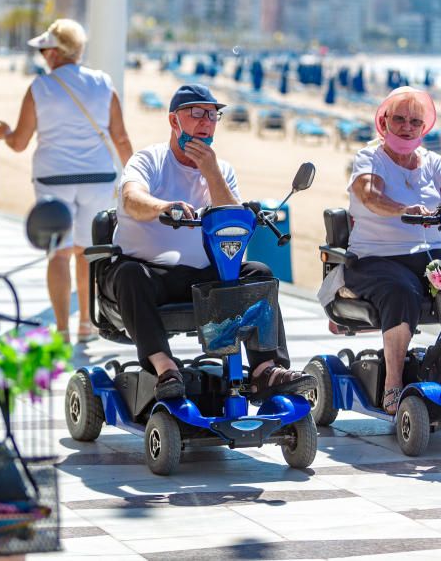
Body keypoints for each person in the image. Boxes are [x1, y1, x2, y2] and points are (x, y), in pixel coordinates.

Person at [103, 83, 315, 401]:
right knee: (128, 273)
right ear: (174, 121)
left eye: (213, 116)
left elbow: (234, 219)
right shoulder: (148, 160)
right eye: (197, 114)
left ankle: (264, 370)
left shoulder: (220, 169)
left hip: (201, 275)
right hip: (149, 273)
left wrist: (211, 172)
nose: (206, 122)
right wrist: (163, 207)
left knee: (258, 272)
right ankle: (165, 369)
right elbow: (132, 197)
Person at [0, 19, 132, 344]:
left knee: (59, 253)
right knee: (85, 252)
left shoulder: (40, 87)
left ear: (54, 52)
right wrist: (135, 177)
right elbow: (120, 138)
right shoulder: (103, 83)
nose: (42, 57)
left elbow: (21, 142)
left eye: (43, 51)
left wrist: (8, 134)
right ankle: (86, 325)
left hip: (54, 179)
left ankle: (63, 332)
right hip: (97, 177)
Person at [343, 87, 441, 414]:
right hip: (375, 258)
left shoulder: (433, 162)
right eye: (399, 118)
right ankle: (393, 385)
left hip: (429, 256)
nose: (407, 126)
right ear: (384, 121)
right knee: (401, 291)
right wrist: (404, 209)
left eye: (415, 121)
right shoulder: (370, 158)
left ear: (424, 127)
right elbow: (370, 195)